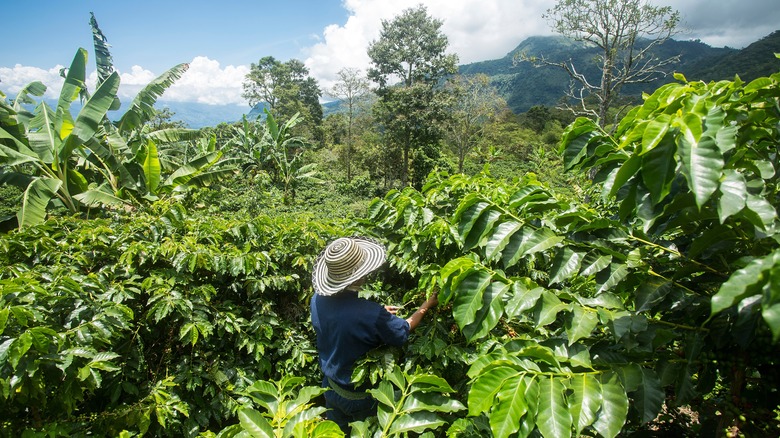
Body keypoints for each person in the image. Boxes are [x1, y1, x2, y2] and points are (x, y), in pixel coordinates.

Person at [309, 236, 438, 433]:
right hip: (360, 397)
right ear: (359, 276)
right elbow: (402, 330)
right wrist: (425, 306)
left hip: (331, 388)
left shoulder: (317, 299)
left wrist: (375, 315)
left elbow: (343, 323)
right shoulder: (370, 313)